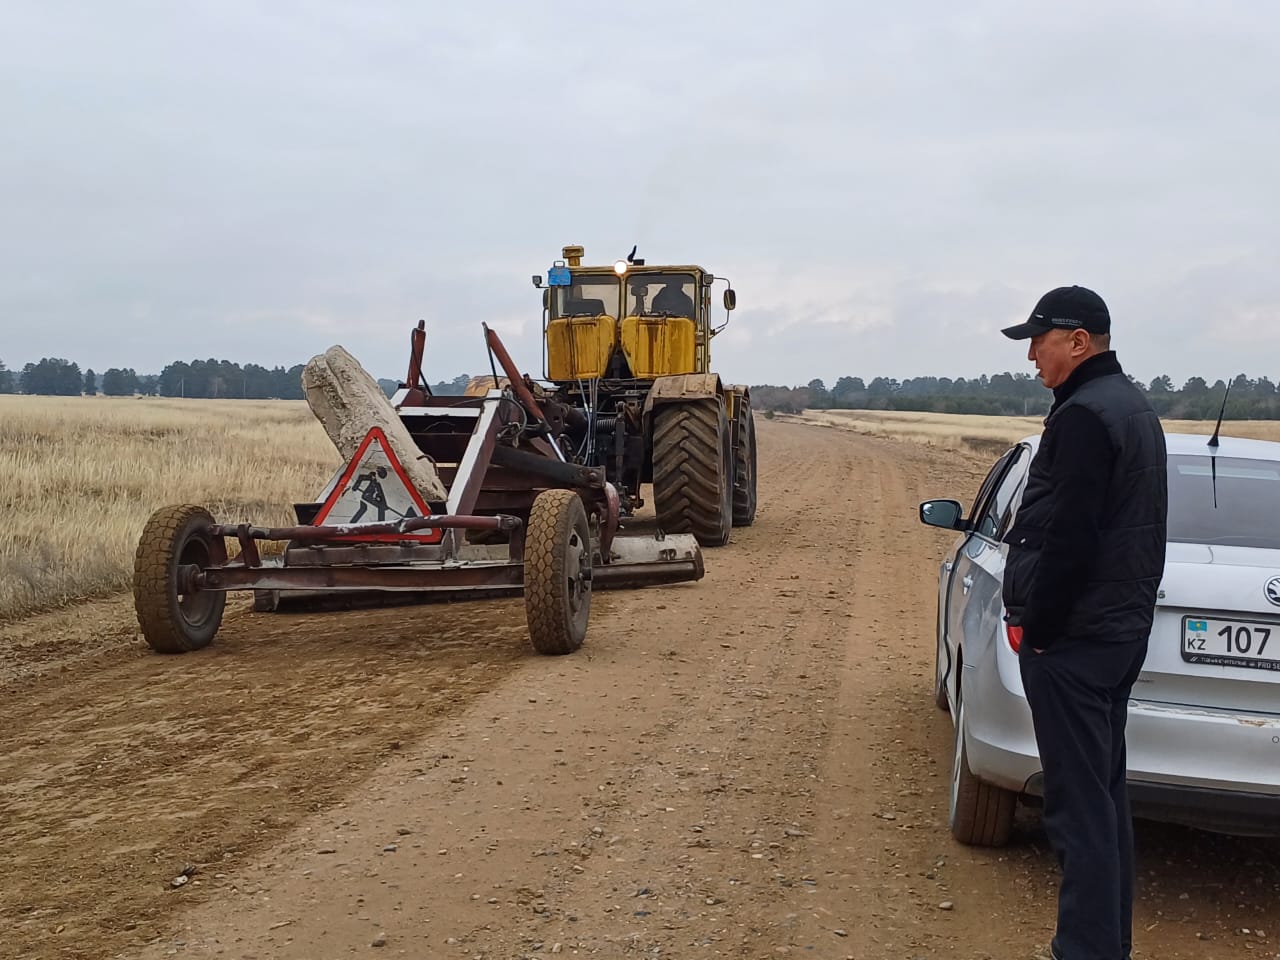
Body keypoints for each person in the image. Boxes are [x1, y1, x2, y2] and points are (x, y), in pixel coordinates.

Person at [1000, 285, 1167, 960]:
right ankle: (1106, 946)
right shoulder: (1131, 407)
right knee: (1102, 802)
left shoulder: (1084, 417)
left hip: (1075, 640)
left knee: (1077, 811)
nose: (1032, 356)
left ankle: (1087, 951)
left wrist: (1039, 628)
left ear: (1078, 340)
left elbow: (1071, 536)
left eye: (1039, 341)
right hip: (1117, 633)